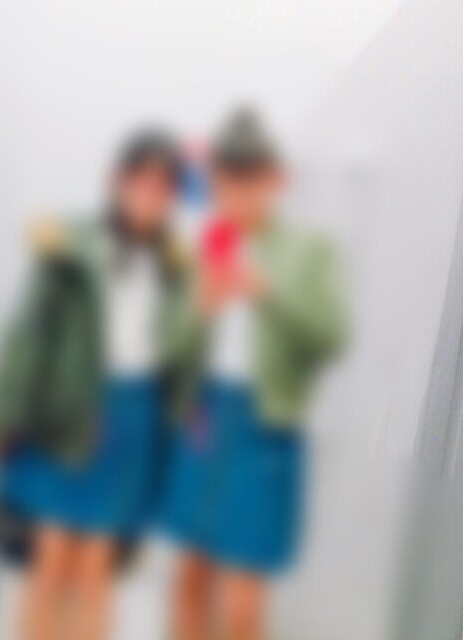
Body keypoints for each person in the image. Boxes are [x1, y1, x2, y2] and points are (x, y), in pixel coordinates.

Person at [0, 129, 194, 640]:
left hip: (134, 420)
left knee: (97, 569)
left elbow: (183, 356)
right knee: (51, 561)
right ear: (118, 181)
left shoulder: (176, 263)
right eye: (141, 180)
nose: (151, 194)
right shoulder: (68, 243)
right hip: (66, 408)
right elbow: (28, 335)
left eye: (164, 186)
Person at [162, 110, 346, 640]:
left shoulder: (310, 248)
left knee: (244, 602)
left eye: (250, 175)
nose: (238, 190)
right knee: (190, 580)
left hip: (266, 423)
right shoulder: (200, 243)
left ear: (274, 179)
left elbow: (330, 337)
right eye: (227, 176)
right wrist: (200, 307)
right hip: (202, 417)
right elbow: (169, 348)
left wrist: (268, 293)